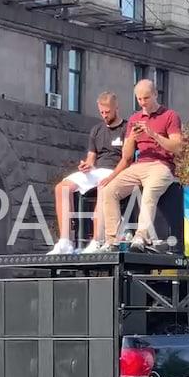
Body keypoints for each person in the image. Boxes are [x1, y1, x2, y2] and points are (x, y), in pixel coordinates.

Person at [99, 79, 184, 252]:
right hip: (139, 164)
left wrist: (153, 135)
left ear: (155, 94)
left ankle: (141, 236)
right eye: (139, 99)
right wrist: (132, 137)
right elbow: (127, 156)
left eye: (146, 98)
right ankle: (113, 239)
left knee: (149, 193)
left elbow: (177, 147)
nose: (142, 103)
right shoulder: (134, 119)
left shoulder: (170, 115)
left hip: (161, 164)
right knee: (108, 191)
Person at [48, 91, 128, 255]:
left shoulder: (126, 128)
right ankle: (65, 241)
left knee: (102, 186)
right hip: (97, 170)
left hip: (116, 171)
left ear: (116, 108)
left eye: (108, 112)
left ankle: (96, 240)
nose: (104, 116)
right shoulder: (97, 130)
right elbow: (91, 157)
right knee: (62, 188)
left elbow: (127, 159)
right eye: (102, 112)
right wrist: (86, 165)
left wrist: (112, 176)